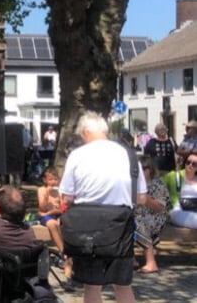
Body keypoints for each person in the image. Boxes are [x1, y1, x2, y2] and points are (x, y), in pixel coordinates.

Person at [60, 112, 150, 303]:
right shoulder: (129, 154)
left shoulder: (77, 155)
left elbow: (67, 198)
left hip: (87, 229)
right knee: (123, 286)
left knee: (92, 287)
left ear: (85, 132)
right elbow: (141, 198)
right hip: (121, 226)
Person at [37, 167, 73, 286]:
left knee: (63, 223)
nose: (53, 182)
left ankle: (67, 254)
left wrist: (53, 212)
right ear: (45, 180)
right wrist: (47, 195)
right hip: (46, 217)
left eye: (55, 179)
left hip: (56, 215)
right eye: (50, 180)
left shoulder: (59, 192)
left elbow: (62, 208)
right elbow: (42, 208)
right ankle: (63, 251)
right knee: (52, 224)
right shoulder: (41, 190)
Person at [134, 155, 169, 273]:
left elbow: (160, 207)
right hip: (137, 215)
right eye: (138, 169)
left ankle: (151, 262)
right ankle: (130, 259)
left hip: (156, 217)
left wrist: (146, 200)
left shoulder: (157, 184)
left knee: (138, 223)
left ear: (151, 169)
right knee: (124, 220)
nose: (141, 171)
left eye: (144, 168)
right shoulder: (133, 184)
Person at [161, 146, 197, 229]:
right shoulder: (173, 176)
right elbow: (155, 186)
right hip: (178, 211)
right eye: (188, 162)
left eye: (194, 164)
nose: (190, 165)